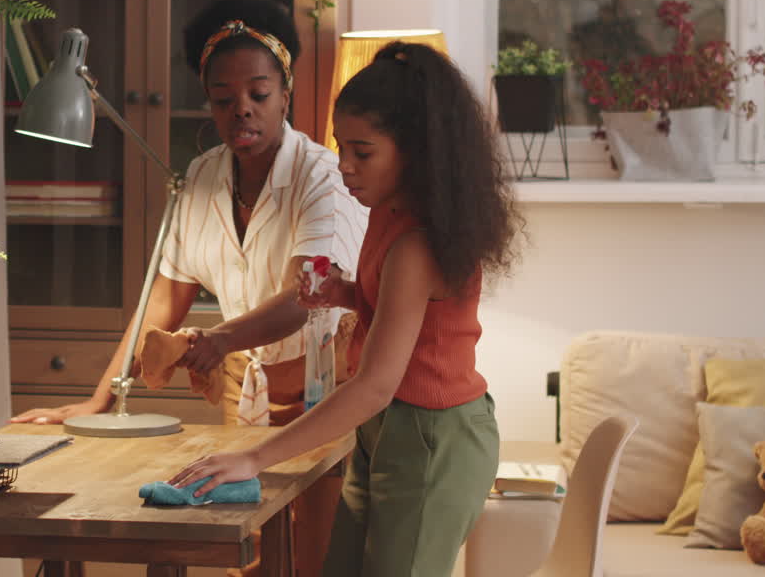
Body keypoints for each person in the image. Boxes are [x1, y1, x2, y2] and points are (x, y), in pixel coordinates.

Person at [10, 0, 368, 576]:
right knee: (245, 558)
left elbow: (306, 300)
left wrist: (219, 339)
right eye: (224, 100)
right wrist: (97, 402)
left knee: (315, 563)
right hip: (240, 394)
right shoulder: (201, 177)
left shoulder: (321, 178)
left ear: (286, 94)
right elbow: (162, 301)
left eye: (258, 94)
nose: (241, 111)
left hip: (319, 394)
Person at [169, 41, 522, 577]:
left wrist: (257, 457)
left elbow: (376, 383)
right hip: (389, 428)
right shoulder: (386, 212)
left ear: (415, 151)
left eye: (363, 152)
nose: (345, 167)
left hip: (432, 438)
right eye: (340, 148)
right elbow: (406, 312)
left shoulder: (417, 243)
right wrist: (347, 293)